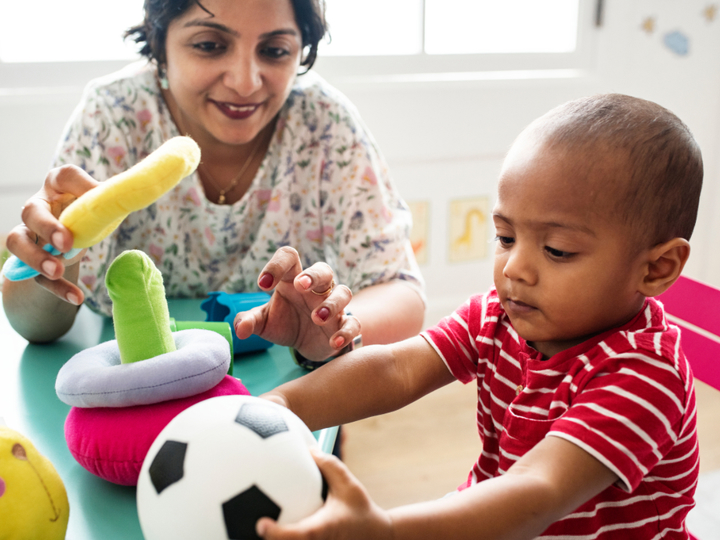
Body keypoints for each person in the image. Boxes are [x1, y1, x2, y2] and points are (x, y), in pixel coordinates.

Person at [258, 93, 704, 539]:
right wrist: (280, 405)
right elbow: (397, 369)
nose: (514, 268)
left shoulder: (645, 375)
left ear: (656, 268)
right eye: (506, 237)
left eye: (557, 250)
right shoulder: (497, 316)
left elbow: (536, 490)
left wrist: (387, 531)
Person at [2, 0, 425, 362]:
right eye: (209, 45)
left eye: (275, 50)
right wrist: (55, 251)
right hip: (133, 379)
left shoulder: (323, 122)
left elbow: (401, 291)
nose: (245, 82)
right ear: (160, 42)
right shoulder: (113, 115)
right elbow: (37, 327)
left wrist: (328, 330)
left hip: (291, 389)